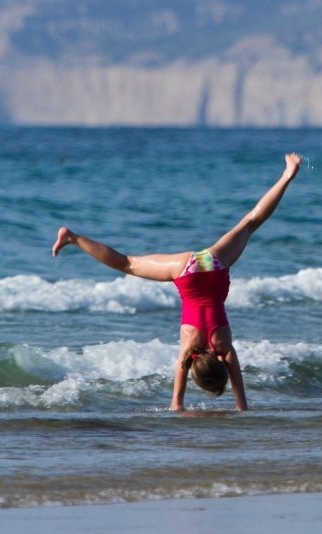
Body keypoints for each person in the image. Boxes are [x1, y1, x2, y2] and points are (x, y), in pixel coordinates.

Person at [52, 153, 302, 411]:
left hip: (211, 264)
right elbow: (181, 366)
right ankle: (73, 238)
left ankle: (287, 175)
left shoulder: (222, 343)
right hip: (186, 272)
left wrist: (242, 403)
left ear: (219, 364)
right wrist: (177, 403)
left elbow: (231, 364)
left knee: (250, 223)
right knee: (126, 264)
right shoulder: (191, 346)